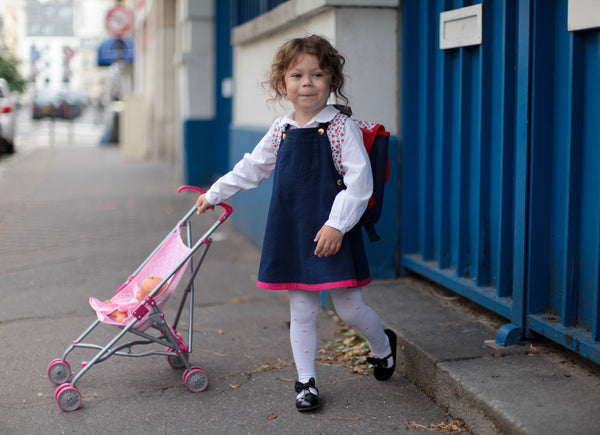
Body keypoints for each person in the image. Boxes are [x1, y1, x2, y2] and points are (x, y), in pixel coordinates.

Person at [195, 35, 396, 412]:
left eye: (317, 74)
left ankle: (383, 346)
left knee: (350, 309)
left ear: (332, 81)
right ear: (282, 84)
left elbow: (360, 182)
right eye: (297, 75)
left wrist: (337, 224)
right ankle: (306, 382)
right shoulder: (281, 129)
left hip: (333, 232)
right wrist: (215, 193)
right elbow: (252, 168)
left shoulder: (340, 128)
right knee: (301, 311)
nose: (307, 82)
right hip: (294, 230)